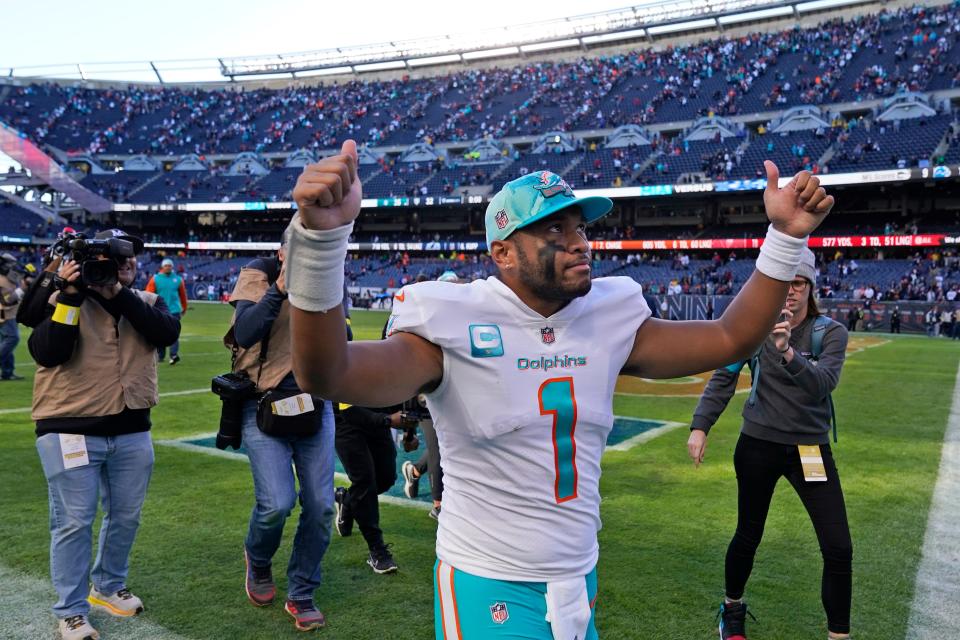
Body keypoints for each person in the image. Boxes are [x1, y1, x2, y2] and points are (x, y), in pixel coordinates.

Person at [284, 140, 833, 640]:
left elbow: (729, 335)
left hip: (578, 576)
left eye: (579, 229)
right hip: (489, 580)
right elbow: (328, 374)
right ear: (502, 253)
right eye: (553, 231)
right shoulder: (452, 320)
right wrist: (321, 241)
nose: (578, 244)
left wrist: (784, 238)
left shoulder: (608, 314)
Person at [687, 248, 851, 640]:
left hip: (810, 450)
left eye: (799, 283)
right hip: (758, 444)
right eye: (785, 282)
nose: (791, 291)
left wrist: (789, 353)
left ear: (810, 287)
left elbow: (821, 386)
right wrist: (700, 425)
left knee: (838, 547)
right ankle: (731, 609)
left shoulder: (830, 332)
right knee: (748, 533)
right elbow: (724, 376)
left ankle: (839, 635)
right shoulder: (752, 327)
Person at [27, 229, 180, 640]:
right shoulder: (64, 297)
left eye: (130, 258)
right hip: (68, 427)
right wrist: (73, 294)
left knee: (126, 516)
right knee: (74, 522)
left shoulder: (145, 301)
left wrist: (117, 293)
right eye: (114, 257)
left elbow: (166, 334)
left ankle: (108, 586)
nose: (125, 263)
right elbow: (47, 351)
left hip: (131, 430)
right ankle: (72, 610)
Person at [227, 230, 335, 631]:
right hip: (263, 404)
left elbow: (344, 338)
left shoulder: (327, 278)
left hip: (315, 405)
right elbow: (244, 332)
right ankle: (258, 558)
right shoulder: (259, 273)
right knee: (276, 503)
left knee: (322, 506)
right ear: (283, 252)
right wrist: (281, 289)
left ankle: (303, 590)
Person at [145, 258, 187, 364]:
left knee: (174, 333)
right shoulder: (155, 279)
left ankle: (173, 355)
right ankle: (161, 355)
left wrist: (184, 307)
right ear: (162, 267)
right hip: (160, 310)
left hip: (174, 310)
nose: (168, 267)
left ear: (172, 267)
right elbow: (148, 294)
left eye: (170, 265)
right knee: (160, 332)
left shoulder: (178, 279)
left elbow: (183, 295)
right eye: (166, 265)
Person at [0, 252, 25, 380]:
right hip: (5, 313)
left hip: (9, 313)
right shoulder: (2, 280)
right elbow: (7, 300)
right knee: (12, 339)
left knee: (5, 341)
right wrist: (22, 290)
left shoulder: (7, 278)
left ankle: (7, 373)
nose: (13, 267)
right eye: (10, 264)